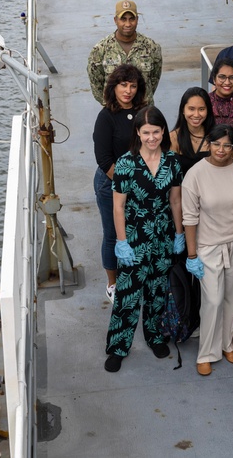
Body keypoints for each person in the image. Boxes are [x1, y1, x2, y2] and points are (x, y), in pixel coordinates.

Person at [104, 106, 185, 373]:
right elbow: (118, 207)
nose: (152, 137)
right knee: (127, 295)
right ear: (138, 133)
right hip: (134, 237)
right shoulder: (126, 164)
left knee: (157, 292)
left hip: (162, 237)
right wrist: (121, 241)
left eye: (157, 131)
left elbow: (175, 201)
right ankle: (118, 347)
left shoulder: (172, 162)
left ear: (164, 132)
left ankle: (154, 336)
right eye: (146, 132)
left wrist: (179, 234)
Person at [181, 125, 233, 376]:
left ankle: (227, 345)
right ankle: (206, 353)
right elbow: (189, 218)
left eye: (227, 145)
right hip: (208, 246)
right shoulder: (195, 174)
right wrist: (192, 255)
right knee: (212, 300)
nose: (221, 150)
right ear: (208, 144)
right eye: (216, 144)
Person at [93, 64, 147, 302]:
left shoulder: (144, 112)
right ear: (113, 87)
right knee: (113, 234)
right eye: (123, 85)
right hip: (110, 184)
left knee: (139, 233)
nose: (128, 90)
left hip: (142, 183)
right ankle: (113, 284)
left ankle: (137, 276)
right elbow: (104, 160)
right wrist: (127, 186)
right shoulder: (105, 117)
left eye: (133, 85)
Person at [87, 0, 163, 105]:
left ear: (137, 19)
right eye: (123, 19)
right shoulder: (101, 49)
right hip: (114, 112)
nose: (128, 24)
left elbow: (154, 78)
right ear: (115, 20)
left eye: (132, 19)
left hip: (143, 111)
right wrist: (110, 102)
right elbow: (96, 83)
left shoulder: (151, 47)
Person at [169, 87, 215, 176]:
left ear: (208, 110)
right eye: (191, 109)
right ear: (183, 110)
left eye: (201, 109)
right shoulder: (173, 138)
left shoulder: (215, 136)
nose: (196, 115)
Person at [208, 57, 233, 126]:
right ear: (214, 79)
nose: (227, 82)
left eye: (232, 78)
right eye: (222, 77)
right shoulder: (205, 101)